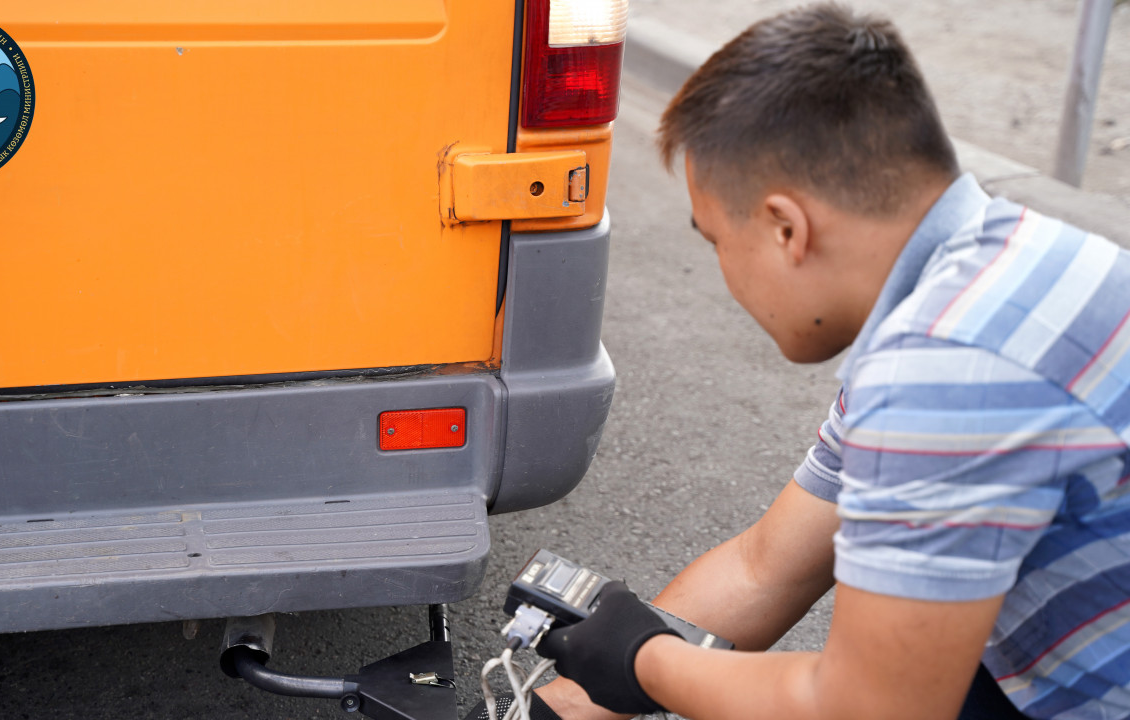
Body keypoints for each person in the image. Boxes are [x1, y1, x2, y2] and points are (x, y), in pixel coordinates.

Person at [467, 3, 1130, 719]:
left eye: (717, 240)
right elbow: (765, 569)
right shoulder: (1007, 261)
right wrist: (557, 708)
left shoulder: (946, 369)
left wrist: (643, 661)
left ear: (787, 228)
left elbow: (870, 708)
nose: (723, 270)